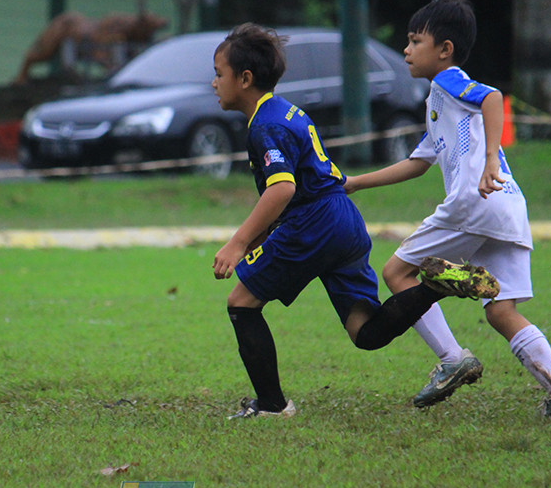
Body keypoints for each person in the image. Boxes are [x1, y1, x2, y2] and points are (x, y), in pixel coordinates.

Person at [211, 22, 498, 419]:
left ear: (244, 79)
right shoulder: (286, 111)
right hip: (343, 221)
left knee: (241, 304)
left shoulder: (265, 125)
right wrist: (258, 236)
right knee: (364, 331)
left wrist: (239, 242)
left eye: (219, 74)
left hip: (313, 223)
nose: (214, 83)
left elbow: (282, 190)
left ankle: (273, 407)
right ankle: (433, 286)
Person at [343, 0, 551, 421]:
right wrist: (354, 183)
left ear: (444, 49)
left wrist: (491, 157)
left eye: (414, 40)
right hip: (508, 207)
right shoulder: (438, 102)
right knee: (501, 311)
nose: (406, 49)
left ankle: (452, 355)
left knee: (396, 273)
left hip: (473, 202)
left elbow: (493, 98)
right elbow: (418, 163)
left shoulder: (450, 82)